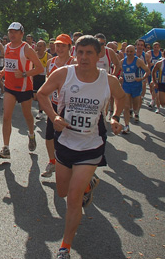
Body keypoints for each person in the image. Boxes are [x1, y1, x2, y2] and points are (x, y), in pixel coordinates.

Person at [36, 35, 125, 259]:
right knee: (62, 191)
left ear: (99, 55)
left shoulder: (108, 80)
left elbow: (121, 98)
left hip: (91, 145)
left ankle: (65, 246)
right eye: (80, 52)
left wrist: (114, 117)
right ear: (75, 52)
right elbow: (41, 94)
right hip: (65, 143)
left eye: (89, 53)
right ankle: (89, 184)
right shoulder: (64, 73)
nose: (84, 57)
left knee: (73, 197)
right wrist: (54, 116)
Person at [0, 22, 44, 159]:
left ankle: (31, 134)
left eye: (15, 32)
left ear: (21, 34)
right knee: (6, 117)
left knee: (27, 115)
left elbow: (39, 68)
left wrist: (24, 74)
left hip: (24, 88)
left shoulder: (26, 48)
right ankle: (6, 148)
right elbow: (8, 65)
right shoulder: (6, 47)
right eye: (10, 32)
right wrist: (3, 72)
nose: (12, 34)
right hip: (10, 88)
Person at [41, 34, 75, 178]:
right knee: (49, 136)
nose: (60, 48)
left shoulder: (74, 63)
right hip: (54, 105)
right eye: (58, 45)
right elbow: (47, 83)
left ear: (69, 47)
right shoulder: (51, 62)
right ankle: (52, 162)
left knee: (69, 138)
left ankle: (72, 166)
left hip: (70, 107)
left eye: (63, 45)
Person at [119, 45, 150, 133]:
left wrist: (141, 79)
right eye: (127, 51)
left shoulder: (138, 61)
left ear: (134, 52)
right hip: (126, 86)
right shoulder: (122, 61)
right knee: (126, 106)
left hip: (136, 86)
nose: (129, 53)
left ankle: (136, 111)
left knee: (136, 104)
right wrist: (121, 77)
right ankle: (126, 126)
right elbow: (121, 72)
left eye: (131, 51)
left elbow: (147, 71)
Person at [34, 39, 50, 120]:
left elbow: (50, 69)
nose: (39, 47)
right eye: (38, 46)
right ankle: (44, 107)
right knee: (35, 97)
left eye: (41, 46)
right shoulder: (33, 55)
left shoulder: (48, 56)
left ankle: (40, 111)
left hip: (43, 78)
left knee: (40, 95)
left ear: (44, 47)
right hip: (35, 77)